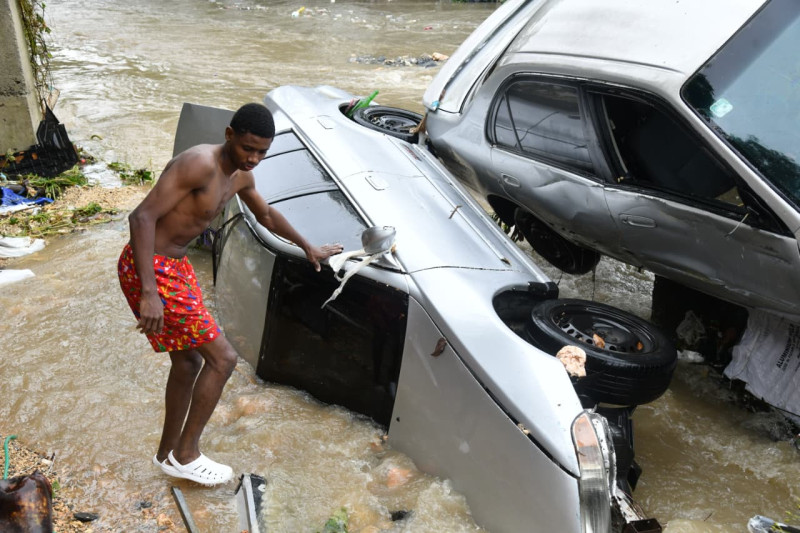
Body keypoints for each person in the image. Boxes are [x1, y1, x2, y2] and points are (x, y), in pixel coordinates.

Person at [117, 102, 343, 485]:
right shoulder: (199, 164)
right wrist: (149, 293)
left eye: (261, 152)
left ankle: (167, 455)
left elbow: (266, 215)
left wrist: (308, 247)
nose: (253, 158)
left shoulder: (241, 177)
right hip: (152, 267)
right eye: (247, 148)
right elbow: (141, 217)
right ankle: (187, 454)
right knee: (223, 359)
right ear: (229, 135)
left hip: (175, 266)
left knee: (189, 363)